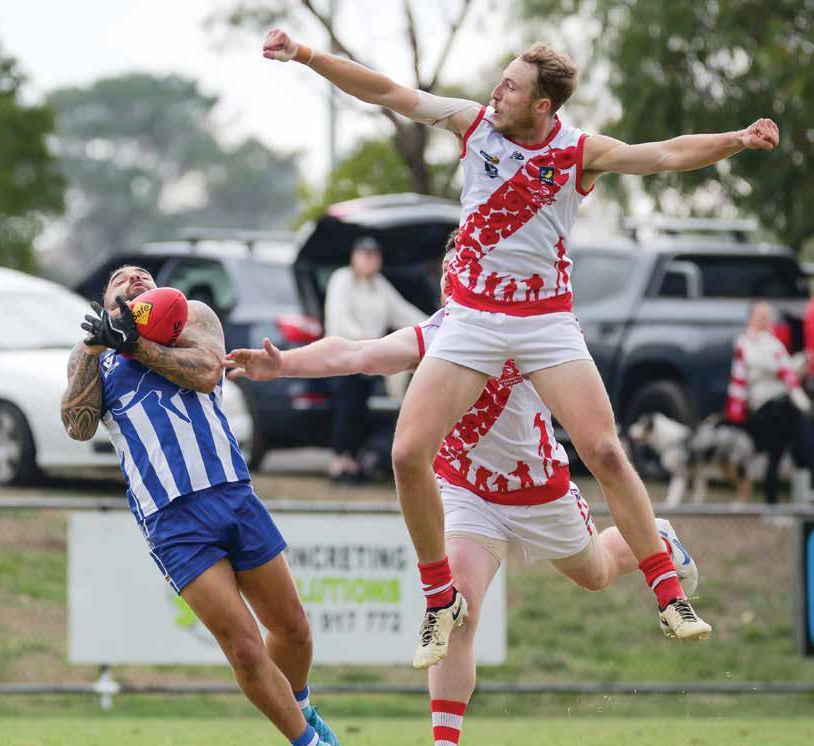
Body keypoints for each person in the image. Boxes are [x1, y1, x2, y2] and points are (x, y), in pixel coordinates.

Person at [258, 29, 772, 660]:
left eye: (510, 87)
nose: (495, 93)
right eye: (498, 82)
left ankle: (668, 591)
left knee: (605, 451)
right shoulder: (474, 127)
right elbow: (387, 92)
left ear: (541, 105)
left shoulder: (577, 151)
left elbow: (664, 154)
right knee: (407, 453)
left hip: (544, 320)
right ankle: (440, 595)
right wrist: (307, 55)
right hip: (472, 318)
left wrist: (737, 139)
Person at [224, 233, 705, 746]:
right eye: (451, 266)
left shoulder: (535, 328)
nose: (457, 275)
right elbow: (357, 353)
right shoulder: (442, 332)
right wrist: (283, 364)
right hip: (467, 491)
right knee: (459, 612)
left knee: (596, 572)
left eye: (467, 264)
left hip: (538, 489)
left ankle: (658, 540)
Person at [59, 265, 351, 746]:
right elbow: (77, 426)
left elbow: (206, 372)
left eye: (142, 274)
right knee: (243, 646)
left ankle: (303, 708)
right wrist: (98, 348)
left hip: (231, 494)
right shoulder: (91, 353)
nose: (134, 277)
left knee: (293, 630)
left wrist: (135, 343)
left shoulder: (192, 317)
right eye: (121, 277)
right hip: (171, 521)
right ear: (107, 297)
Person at [324, 236, 425, 482]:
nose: (369, 260)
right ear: (354, 257)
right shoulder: (342, 279)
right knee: (346, 409)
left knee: (361, 409)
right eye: (364, 254)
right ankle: (339, 462)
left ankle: (355, 461)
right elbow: (339, 318)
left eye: (374, 255)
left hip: (368, 358)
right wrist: (363, 336)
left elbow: (402, 311)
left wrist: (432, 325)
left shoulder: (379, 284)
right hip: (342, 356)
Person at [725, 300, 814, 503]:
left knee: (792, 447)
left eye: (768, 316)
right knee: (784, 448)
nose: (766, 320)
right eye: (761, 316)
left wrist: (803, 360)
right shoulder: (746, 343)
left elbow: (785, 368)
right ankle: (774, 502)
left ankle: (789, 497)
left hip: (783, 406)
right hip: (766, 408)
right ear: (751, 318)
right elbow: (773, 365)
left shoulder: (771, 342)